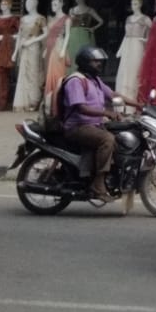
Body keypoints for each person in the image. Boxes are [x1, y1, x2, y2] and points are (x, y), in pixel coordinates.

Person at [62, 45, 118, 201]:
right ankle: (98, 183)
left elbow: (113, 95)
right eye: (95, 62)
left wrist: (139, 105)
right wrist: (107, 113)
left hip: (93, 125)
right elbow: (81, 108)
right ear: (85, 62)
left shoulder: (95, 80)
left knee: (120, 136)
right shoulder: (76, 81)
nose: (99, 65)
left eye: (100, 62)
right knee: (107, 139)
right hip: (77, 127)